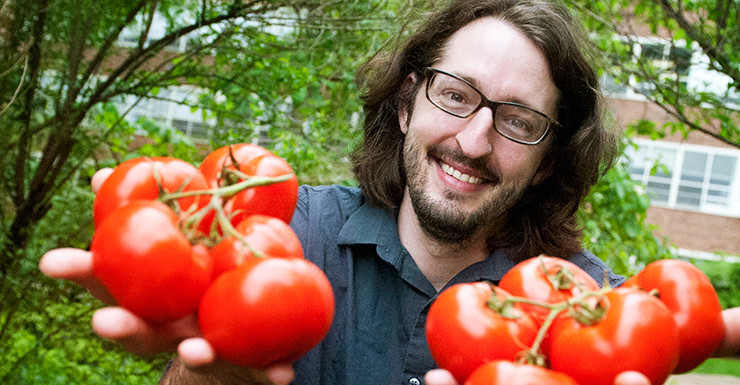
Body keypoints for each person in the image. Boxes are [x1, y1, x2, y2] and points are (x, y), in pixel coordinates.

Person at [39, 0, 740, 384]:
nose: (472, 140)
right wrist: (218, 371)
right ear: (406, 104)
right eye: (455, 95)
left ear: (551, 161)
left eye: (519, 121)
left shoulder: (585, 307)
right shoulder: (279, 236)